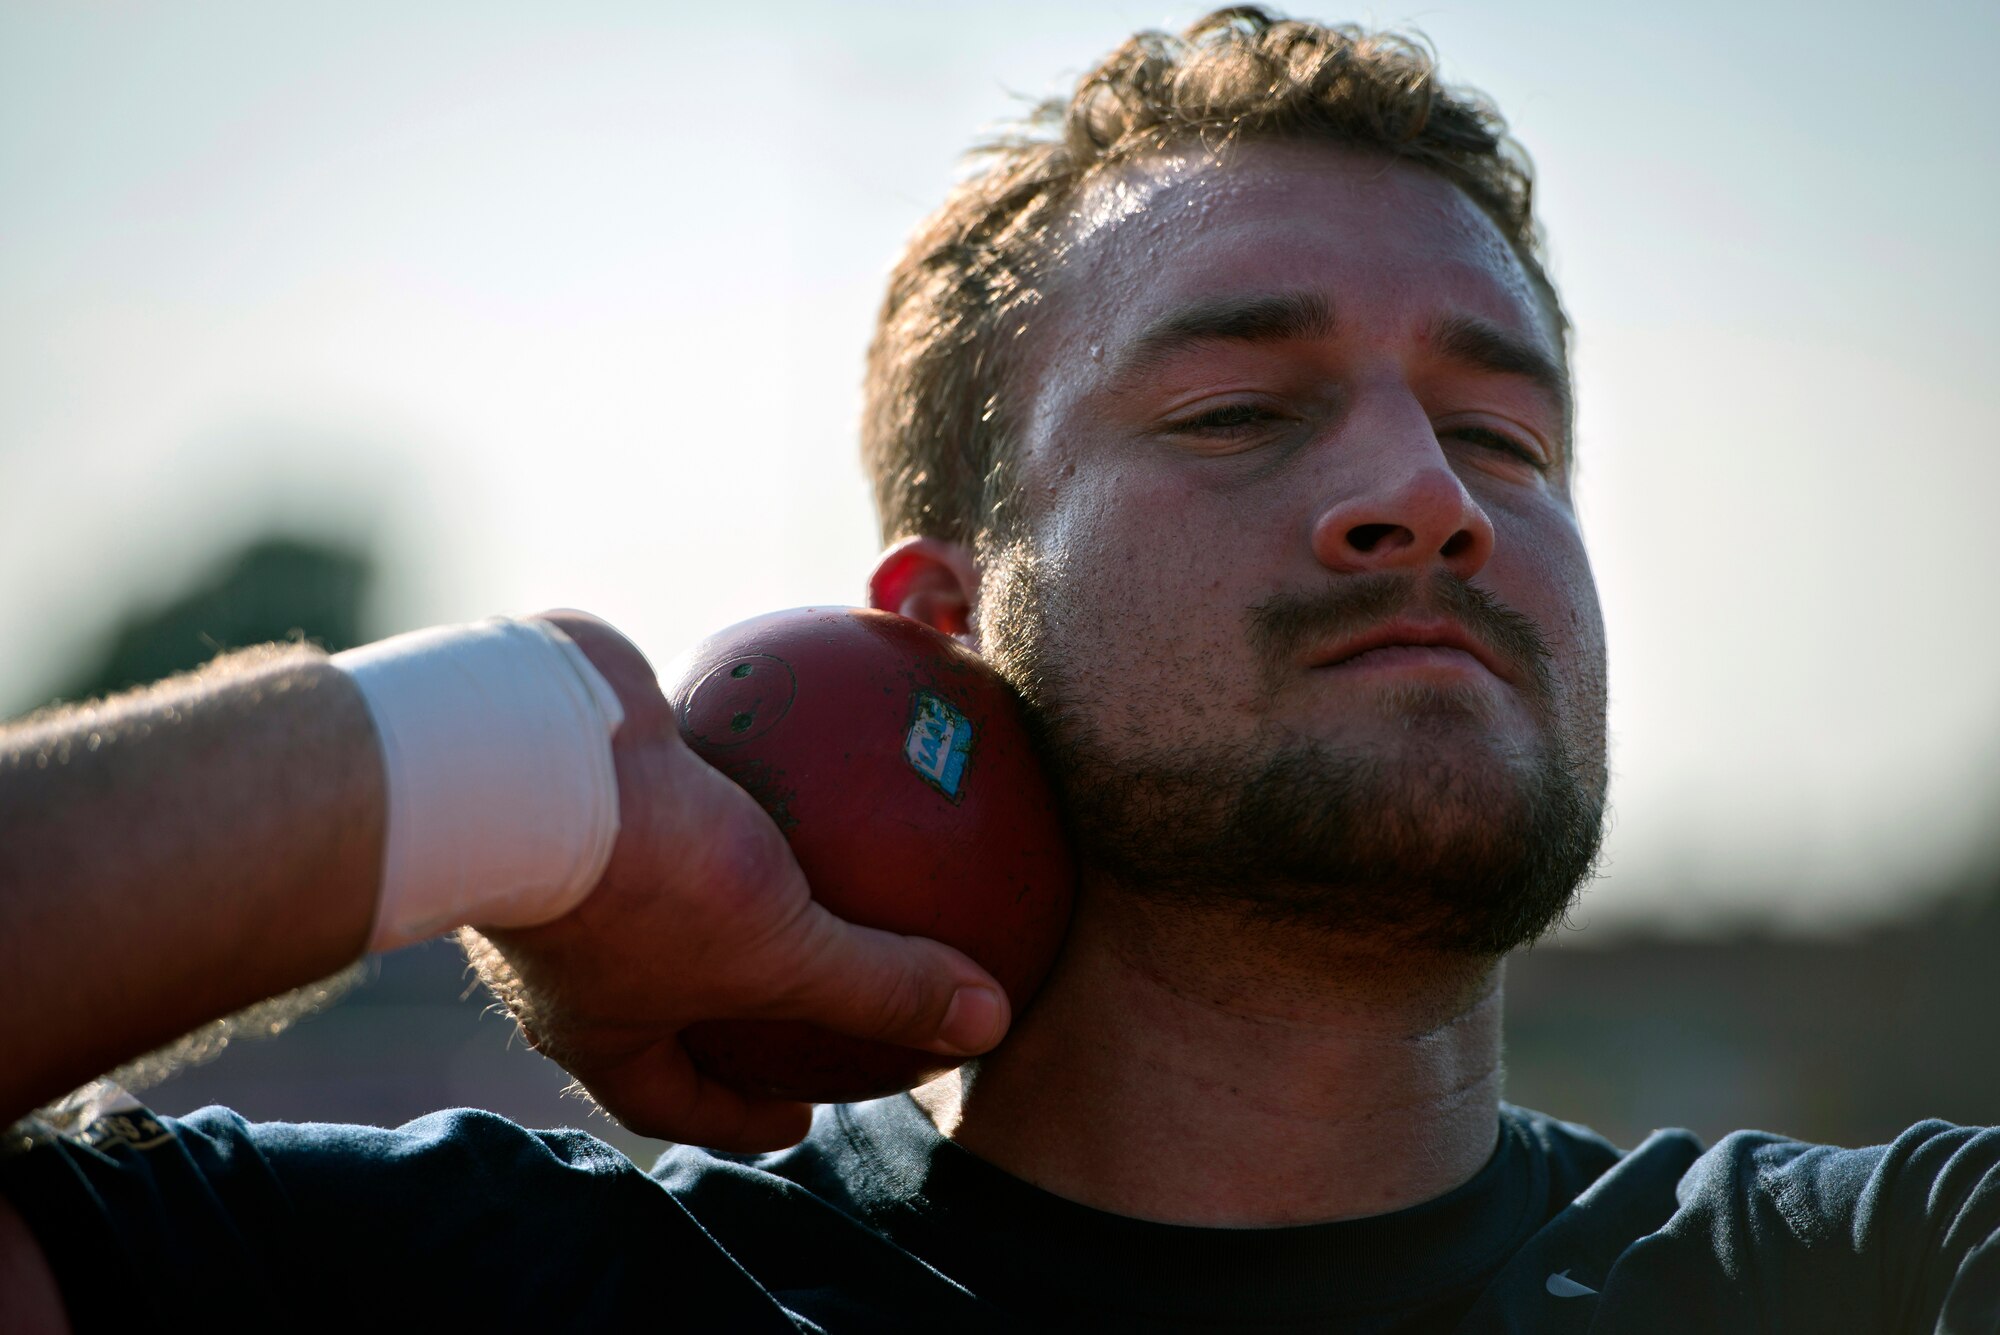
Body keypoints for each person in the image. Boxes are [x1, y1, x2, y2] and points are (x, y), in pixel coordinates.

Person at [2, 9, 1996, 1332]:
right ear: (938, 618)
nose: (1424, 495)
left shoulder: (1872, 1274)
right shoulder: (483, 1294)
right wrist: (498, 754)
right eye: (1234, 407)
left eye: (1506, 436)